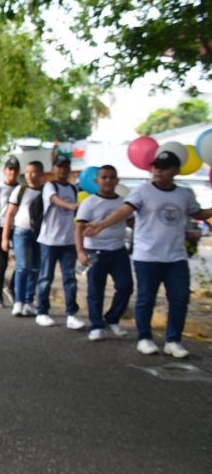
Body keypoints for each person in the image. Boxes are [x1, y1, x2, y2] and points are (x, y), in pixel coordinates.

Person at [85, 150, 212, 357]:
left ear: (176, 171)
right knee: (146, 299)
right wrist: (101, 224)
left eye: (164, 167)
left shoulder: (184, 194)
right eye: (155, 167)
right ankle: (144, 338)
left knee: (180, 299)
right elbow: (124, 211)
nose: (158, 170)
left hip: (176, 257)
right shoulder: (143, 191)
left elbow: (197, 213)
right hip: (147, 256)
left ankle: (173, 341)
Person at [74, 165, 133, 342]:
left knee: (125, 286)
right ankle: (96, 325)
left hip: (118, 250)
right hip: (95, 251)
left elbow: (132, 223)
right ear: (96, 181)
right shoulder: (90, 202)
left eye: (111, 177)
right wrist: (81, 251)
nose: (108, 181)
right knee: (96, 291)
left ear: (117, 180)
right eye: (104, 177)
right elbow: (79, 228)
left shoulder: (124, 202)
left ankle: (112, 319)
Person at [34, 155, 85, 330]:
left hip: (68, 241)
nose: (62, 170)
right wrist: (71, 206)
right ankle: (42, 311)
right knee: (45, 278)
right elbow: (54, 199)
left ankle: (71, 313)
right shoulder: (50, 186)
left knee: (70, 279)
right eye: (59, 166)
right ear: (54, 169)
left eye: (65, 166)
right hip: (49, 240)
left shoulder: (73, 188)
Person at [2, 160, 44, 317]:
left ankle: (28, 302)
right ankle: (18, 301)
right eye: (27, 172)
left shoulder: (46, 191)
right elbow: (9, 214)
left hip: (40, 234)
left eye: (34, 172)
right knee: (23, 266)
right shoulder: (20, 190)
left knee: (35, 268)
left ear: (41, 174)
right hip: (22, 232)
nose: (30, 176)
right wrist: (5, 238)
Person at [0, 158, 20, 308]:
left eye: (15, 169)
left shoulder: (21, 188)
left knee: (21, 262)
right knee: (3, 262)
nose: (12, 172)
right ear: (5, 171)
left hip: (17, 227)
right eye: (9, 169)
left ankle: (11, 287)